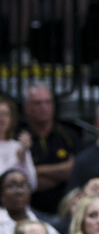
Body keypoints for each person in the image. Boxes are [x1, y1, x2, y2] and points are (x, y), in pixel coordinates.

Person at [24, 84, 79, 216]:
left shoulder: (69, 134)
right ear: (27, 107)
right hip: (29, 211)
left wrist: (35, 171)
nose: (44, 107)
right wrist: (60, 173)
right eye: (38, 103)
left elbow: (74, 170)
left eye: (48, 102)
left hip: (65, 210)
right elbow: (22, 178)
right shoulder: (20, 136)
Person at [0, 168, 62, 234]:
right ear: (1, 194)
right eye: (12, 186)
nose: (19, 191)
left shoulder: (48, 230)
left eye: (24, 185)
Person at [0, 97, 35, 190]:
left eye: (6, 114)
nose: (2, 118)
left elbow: (33, 184)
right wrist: (17, 160)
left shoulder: (19, 146)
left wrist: (22, 157)